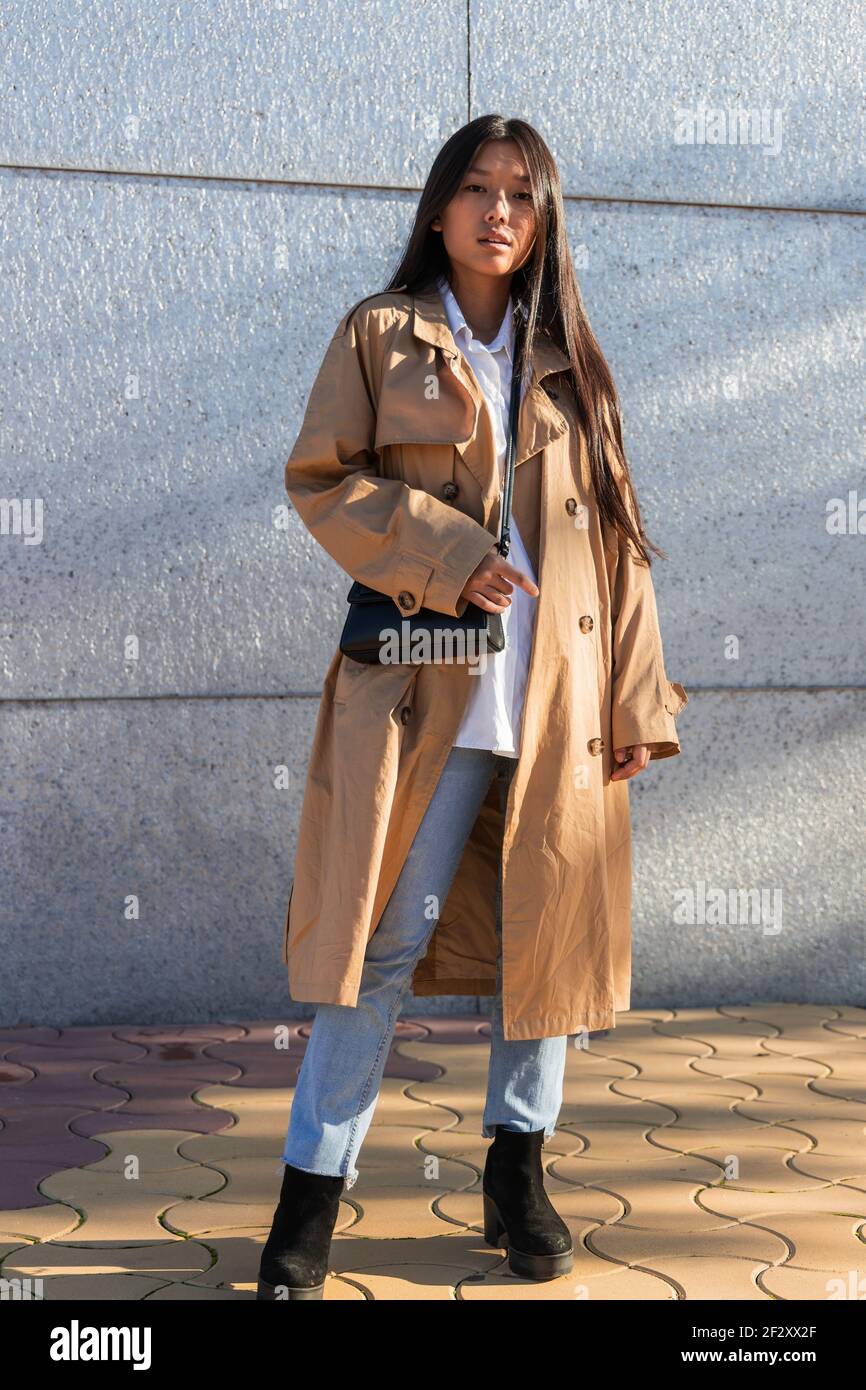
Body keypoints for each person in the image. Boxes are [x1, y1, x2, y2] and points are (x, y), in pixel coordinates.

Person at [259, 114, 688, 1300]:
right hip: (421, 694)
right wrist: (448, 552)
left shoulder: (570, 359)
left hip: (553, 702)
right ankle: (310, 1195)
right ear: (439, 207)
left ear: (540, 220)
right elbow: (320, 479)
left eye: (521, 192)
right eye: (478, 187)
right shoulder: (380, 335)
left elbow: (621, 541)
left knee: (538, 945)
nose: (499, 210)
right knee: (380, 944)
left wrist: (636, 699)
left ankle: (517, 1171)